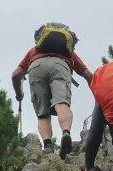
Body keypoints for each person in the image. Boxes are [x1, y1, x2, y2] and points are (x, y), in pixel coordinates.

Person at [11, 23, 93, 158]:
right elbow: (88, 75)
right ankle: (66, 133)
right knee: (62, 103)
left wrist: (19, 94)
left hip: (36, 67)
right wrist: (98, 90)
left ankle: (48, 146)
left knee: (42, 112)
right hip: (60, 65)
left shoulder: (33, 52)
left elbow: (15, 75)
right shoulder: (68, 53)